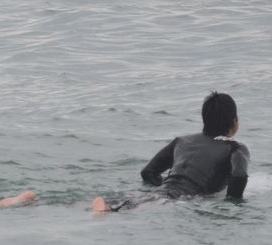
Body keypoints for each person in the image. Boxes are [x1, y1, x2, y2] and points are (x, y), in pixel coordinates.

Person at [92, 91, 250, 212]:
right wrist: (232, 205)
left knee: (131, 202)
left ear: (204, 118)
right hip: (183, 198)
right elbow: (240, 175)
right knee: (145, 207)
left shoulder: (182, 141)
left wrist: (165, 188)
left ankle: (106, 207)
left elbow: (148, 172)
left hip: (162, 191)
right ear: (234, 122)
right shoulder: (235, 148)